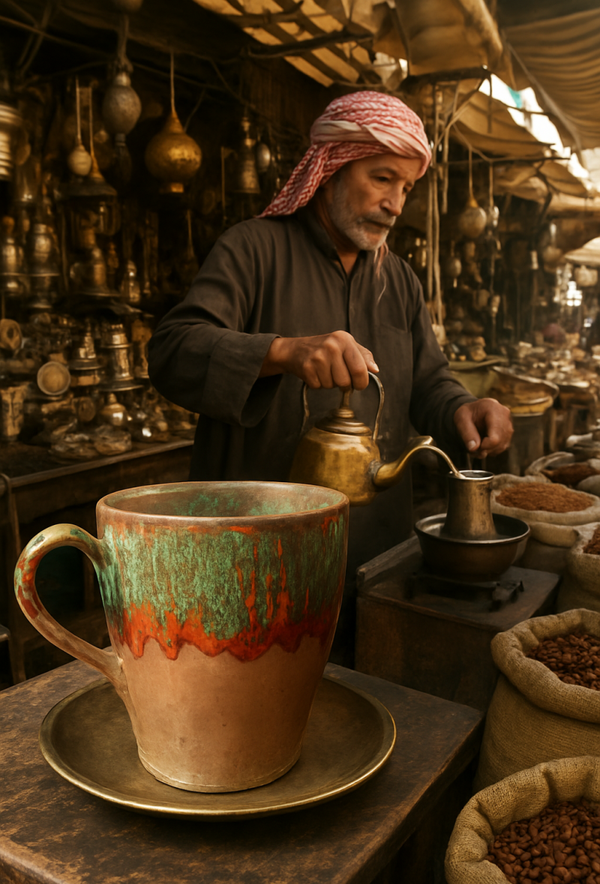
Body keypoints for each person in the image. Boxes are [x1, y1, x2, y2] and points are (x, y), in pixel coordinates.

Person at [148, 91, 513, 662]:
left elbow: (429, 382)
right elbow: (172, 351)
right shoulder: (253, 250)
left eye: (406, 188)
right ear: (331, 170)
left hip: (375, 556)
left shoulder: (402, 281)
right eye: (382, 178)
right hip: (257, 554)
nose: (395, 204)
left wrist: (463, 405)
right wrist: (283, 352)